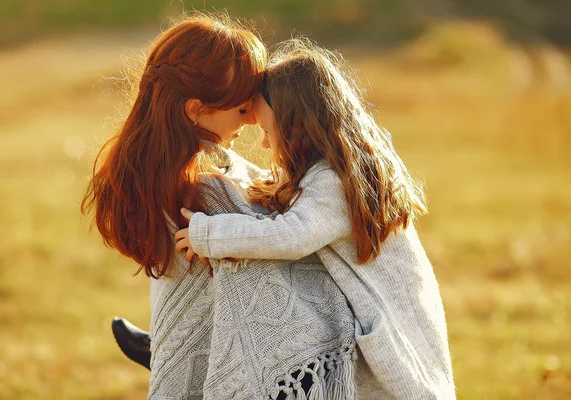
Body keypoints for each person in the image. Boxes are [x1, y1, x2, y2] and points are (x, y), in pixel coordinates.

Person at [82, 14, 367, 400]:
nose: (251, 120)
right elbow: (289, 244)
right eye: (241, 109)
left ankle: (164, 350)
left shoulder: (150, 165)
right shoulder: (206, 189)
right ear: (196, 109)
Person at [175, 39, 456, 399]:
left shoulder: (334, 181)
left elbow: (291, 236)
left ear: (297, 126)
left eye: (266, 131)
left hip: (393, 333)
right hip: (386, 318)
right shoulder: (338, 168)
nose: (263, 145)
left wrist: (209, 235)